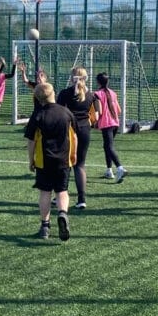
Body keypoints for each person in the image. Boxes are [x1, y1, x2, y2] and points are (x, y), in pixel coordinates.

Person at [25, 83, 76, 241]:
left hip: (44, 161)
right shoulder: (66, 112)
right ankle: (62, 214)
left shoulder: (38, 115)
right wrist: (73, 155)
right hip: (63, 160)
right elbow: (74, 136)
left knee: (45, 192)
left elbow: (31, 141)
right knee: (62, 191)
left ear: (38, 98)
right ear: (53, 93)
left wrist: (31, 160)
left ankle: (45, 226)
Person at [56, 66, 99, 209]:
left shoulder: (65, 93)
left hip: (69, 130)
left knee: (65, 164)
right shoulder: (91, 95)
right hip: (85, 130)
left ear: (72, 77)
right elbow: (96, 116)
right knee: (80, 165)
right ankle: (81, 199)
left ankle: (61, 195)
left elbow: (59, 113)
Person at [94, 72, 127, 182]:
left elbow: (99, 111)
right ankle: (109, 170)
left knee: (109, 147)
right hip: (115, 123)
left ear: (98, 82)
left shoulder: (97, 94)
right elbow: (119, 110)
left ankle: (120, 168)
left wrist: (95, 121)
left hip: (106, 123)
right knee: (107, 146)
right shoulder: (113, 93)